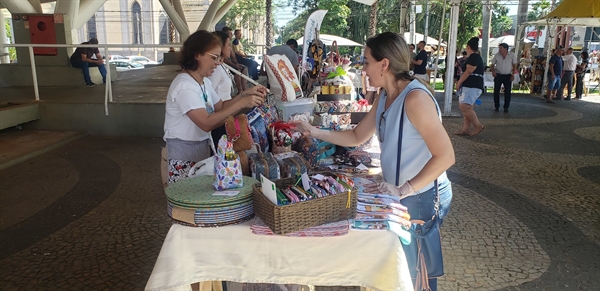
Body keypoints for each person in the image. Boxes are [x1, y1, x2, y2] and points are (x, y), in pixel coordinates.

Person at [292, 32, 454, 291]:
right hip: (402, 193)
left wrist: (404, 190)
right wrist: (315, 132)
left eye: (366, 61)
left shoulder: (415, 99)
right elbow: (357, 135)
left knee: (415, 274)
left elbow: (446, 156)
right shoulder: (384, 96)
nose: (363, 69)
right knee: (401, 268)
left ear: (385, 64)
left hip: (420, 195)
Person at [163, 30, 266, 184]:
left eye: (219, 57)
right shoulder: (184, 86)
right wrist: (242, 103)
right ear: (197, 54)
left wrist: (245, 94)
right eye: (214, 57)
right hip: (184, 159)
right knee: (190, 205)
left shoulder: (203, 82)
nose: (218, 62)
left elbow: (221, 106)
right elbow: (206, 123)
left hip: (201, 153)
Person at [455, 37, 485, 136]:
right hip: (471, 85)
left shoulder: (474, 57)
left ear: (468, 47)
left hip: (472, 85)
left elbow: (469, 71)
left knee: (465, 107)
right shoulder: (475, 57)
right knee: (468, 107)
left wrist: (459, 82)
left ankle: (478, 125)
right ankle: (466, 129)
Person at [490, 43, 517, 112]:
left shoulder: (512, 55)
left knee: (507, 92)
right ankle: (496, 106)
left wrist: (513, 74)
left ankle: (506, 107)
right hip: (498, 75)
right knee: (496, 91)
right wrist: (493, 72)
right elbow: (492, 64)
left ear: (505, 49)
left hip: (508, 75)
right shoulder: (497, 55)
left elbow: (514, 65)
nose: (499, 50)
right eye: (499, 48)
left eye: (501, 48)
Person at [222, 27, 248, 93]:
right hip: (226, 64)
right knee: (237, 71)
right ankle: (240, 91)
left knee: (244, 68)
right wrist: (235, 65)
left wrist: (236, 63)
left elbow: (233, 56)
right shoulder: (223, 44)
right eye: (230, 33)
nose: (232, 35)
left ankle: (244, 89)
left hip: (231, 63)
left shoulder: (230, 44)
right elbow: (224, 60)